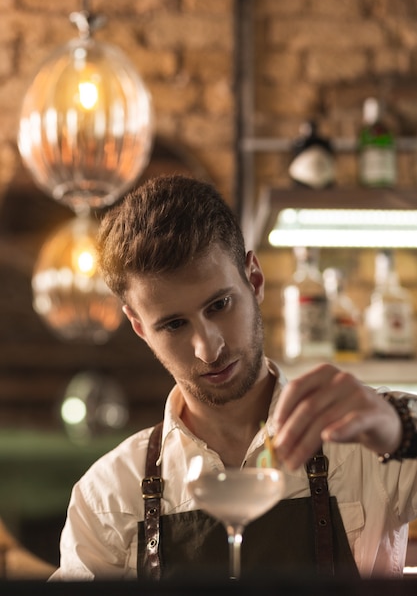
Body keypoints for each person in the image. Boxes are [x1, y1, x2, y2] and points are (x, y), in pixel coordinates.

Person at [50, 174, 417, 581]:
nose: (208, 349)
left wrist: (399, 430)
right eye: (173, 325)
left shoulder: (362, 444)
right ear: (139, 327)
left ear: (254, 279)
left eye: (220, 304)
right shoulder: (108, 495)